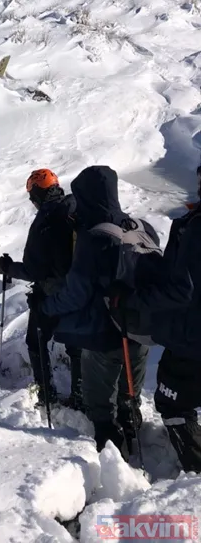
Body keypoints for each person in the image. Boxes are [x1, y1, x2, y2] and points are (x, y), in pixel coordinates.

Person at [34, 166, 154, 455]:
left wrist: (45, 307)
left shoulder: (94, 237)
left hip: (104, 335)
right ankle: (134, 430)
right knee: (129, 393)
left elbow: (76, 294)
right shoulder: (141, 228)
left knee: (100, 403)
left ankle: (111, 457)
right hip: (141, 330)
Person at [0, 169, 81, 410]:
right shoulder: (75, 208)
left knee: (36, 341)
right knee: (77, 343)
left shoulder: (46, 219)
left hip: (51, 293)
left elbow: (34, 270)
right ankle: (80, 394)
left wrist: (9, 268)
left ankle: (46, 393)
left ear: (36, 193)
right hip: (81, 289)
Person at [153, 166, 201, 472]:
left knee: (170, 399)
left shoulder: (195, 227)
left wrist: (137, 297)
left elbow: (182, 288)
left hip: (191, 333)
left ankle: (195, 470)